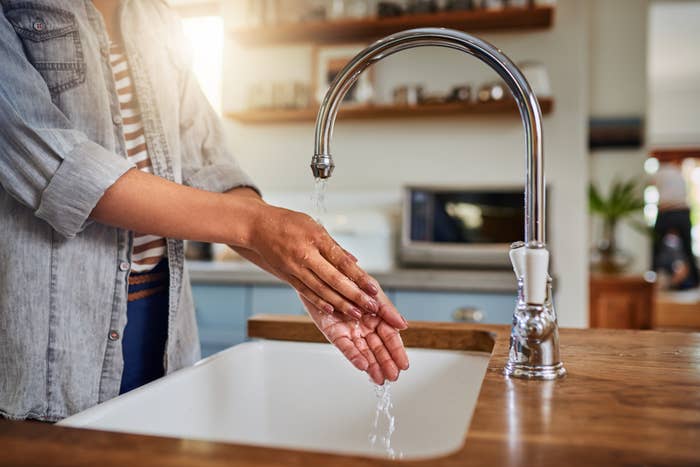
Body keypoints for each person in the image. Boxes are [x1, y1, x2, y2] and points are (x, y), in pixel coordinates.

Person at [0, 0, 408, 422]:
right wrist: (259, 227)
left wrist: (306, 273)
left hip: (164, 329)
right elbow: (61, 169)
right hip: (49, 347)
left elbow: (209, 167)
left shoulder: (158, 20)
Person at [652, 160, 699, 289]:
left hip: (666, 211)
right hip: (683, 211)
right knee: (688, 249)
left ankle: (652, 279)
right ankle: (696, 281)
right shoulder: (679, 173)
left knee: (655, 247)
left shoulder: (659, 173)